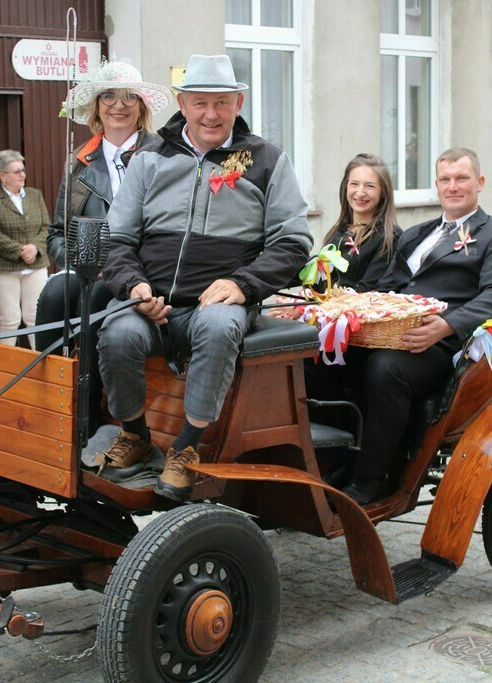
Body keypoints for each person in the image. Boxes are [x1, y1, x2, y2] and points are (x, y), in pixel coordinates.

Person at [96, 54, 312, 499]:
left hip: (216, 305)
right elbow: (117, 238)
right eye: (199, 103)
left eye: (221, 102)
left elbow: (293, 241)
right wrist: (134, 287)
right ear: (182, 103)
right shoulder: (148, 157)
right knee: (117, 333)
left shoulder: (267, 160)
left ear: (238, 102)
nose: (210, 114)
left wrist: (243, 285)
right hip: (150, 304)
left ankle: (187, 449)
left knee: (218, 327)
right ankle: (135, 434)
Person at [306, 147, 492, 505]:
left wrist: (447, 326)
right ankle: (335, 460)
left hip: (443, 347)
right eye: (446, 179)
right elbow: (384, 286)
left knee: (384, 369)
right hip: (390, 333)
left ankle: (375, 479)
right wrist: (341, 306)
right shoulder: (417, 233)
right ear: (436, 185)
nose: (453, 186)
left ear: (480, 183)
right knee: (318, 358)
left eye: (462, 178)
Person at [34, 60, 170, 356]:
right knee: (53, 296)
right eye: (108, 95)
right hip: (89, 270)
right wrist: (84, 261)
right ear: (97, 106)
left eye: (129, 96)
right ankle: (49, 391)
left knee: (96, 300)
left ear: (141, 106)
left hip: (141, 269)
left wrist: (115, 267)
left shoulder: (163, 156)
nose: (118, 105)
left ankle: (92, 398)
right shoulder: (79, 161)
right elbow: (57, 235)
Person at [0, 150, 50, 348]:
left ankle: (40, 364)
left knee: (35, 318)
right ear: (2, 175)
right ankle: (7, 370)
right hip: (4, 270)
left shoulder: (35, 195)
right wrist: (21, 251)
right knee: (9, 320)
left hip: (36, 266)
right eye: (17, 171)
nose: (23, 175)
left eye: (23, 170)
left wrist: (35, 248)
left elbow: (46, 227)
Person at [318, 154, 401, 292]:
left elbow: (365, 291)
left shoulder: (390, 237)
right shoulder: (338, 232)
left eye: (370, 186)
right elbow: (319, 283)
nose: (360, 192)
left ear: (383, 192)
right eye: (354, 184)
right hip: (323, 310)